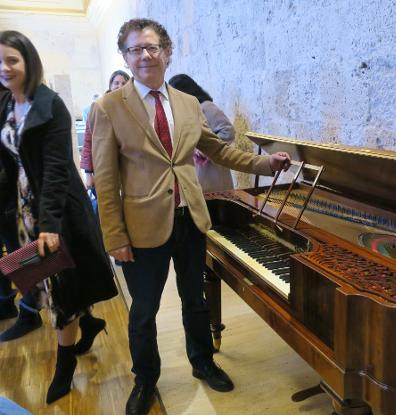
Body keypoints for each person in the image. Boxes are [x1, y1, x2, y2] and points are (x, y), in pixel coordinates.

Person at [90, 18, 291, 415]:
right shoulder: (109, 107)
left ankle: (202, 361)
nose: (145, 55)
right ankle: (145, 378)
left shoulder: (187, 103)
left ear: (166, 52)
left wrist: (266, 163)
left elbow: (218, 150)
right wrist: (114, 236)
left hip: (190, 219)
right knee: (144, 310)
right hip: (142, 225)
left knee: (195, 300)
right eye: (135, 49)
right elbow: (105, 179)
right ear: (125, 57)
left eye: (152, 47)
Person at [0, 30, 118, 403]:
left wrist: (49, 225)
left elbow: (54, 170)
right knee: (37, 281)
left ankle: (64, 365)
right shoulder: (5, 104)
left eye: (12, 60)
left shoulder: (50, 105)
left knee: (59, 290)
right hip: (22, 211)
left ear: (28, 62)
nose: (4, 68)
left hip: (56, 214)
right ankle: (90, 322)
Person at [168, 74, 235, 193]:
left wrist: (205, 150)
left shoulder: (206, 107)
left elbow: (228, 131)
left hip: (212, 173)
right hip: (195, 174)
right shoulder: (185, 110)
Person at [81, 70, 130, 189]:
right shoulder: (98, 107)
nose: (120, 86)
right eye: (116, 83)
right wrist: (88, 174)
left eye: (124, 83)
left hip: (129, 169)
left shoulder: (134, 108)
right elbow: (88, 142)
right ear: (110, 85)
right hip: (105, 167)